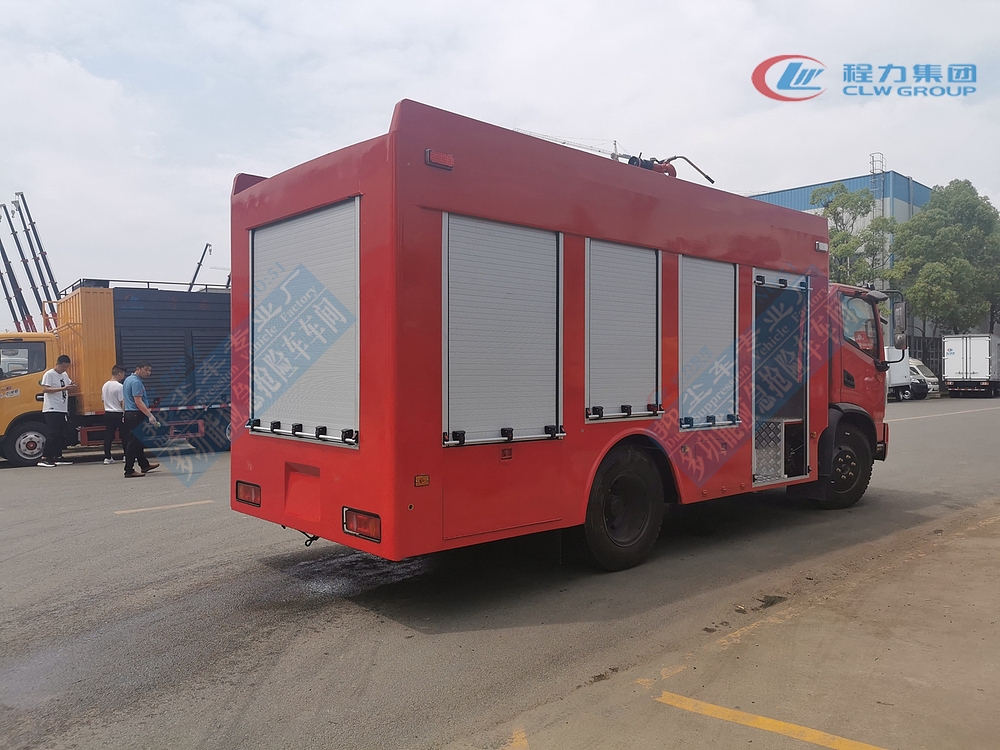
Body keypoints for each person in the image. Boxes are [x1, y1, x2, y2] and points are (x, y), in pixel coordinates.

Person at [122, 361, 161, 478]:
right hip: (136, 414)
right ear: (138, 369)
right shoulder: (136, 382)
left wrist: (124, 413)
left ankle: (144, 465)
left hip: (130, 413)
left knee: (138, 441)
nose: (148, 373)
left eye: (150, 370)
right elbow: (138, 401)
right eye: (146, 370)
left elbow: (125, 399)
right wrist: (150, 415)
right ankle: (129, 470)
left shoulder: (128, 380)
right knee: (134, 443)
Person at [38, 354, 75, 467]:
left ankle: (57, 456)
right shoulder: (49, 374)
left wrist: (71, 385)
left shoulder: (64, 375)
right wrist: (63, 388)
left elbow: (68, 383)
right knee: (53, 433)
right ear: (57, 364)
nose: (64, 369)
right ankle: (45, 457)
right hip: (52, 408)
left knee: (60, 433)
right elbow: (45, 389)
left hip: (62, 407)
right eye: (63, 367)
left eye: (66, 367)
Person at [101, 365, 126, 464]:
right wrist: (125, 413)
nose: (123, 377)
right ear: (119, 374)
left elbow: (103, 400)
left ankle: (107, 457)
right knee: (124, 435)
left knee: (108, 436)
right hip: (118, 413)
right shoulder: (120, 386)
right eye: (123, 374)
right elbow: (122, 401)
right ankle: (126, 456)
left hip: (108, 412)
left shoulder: (105, 385)